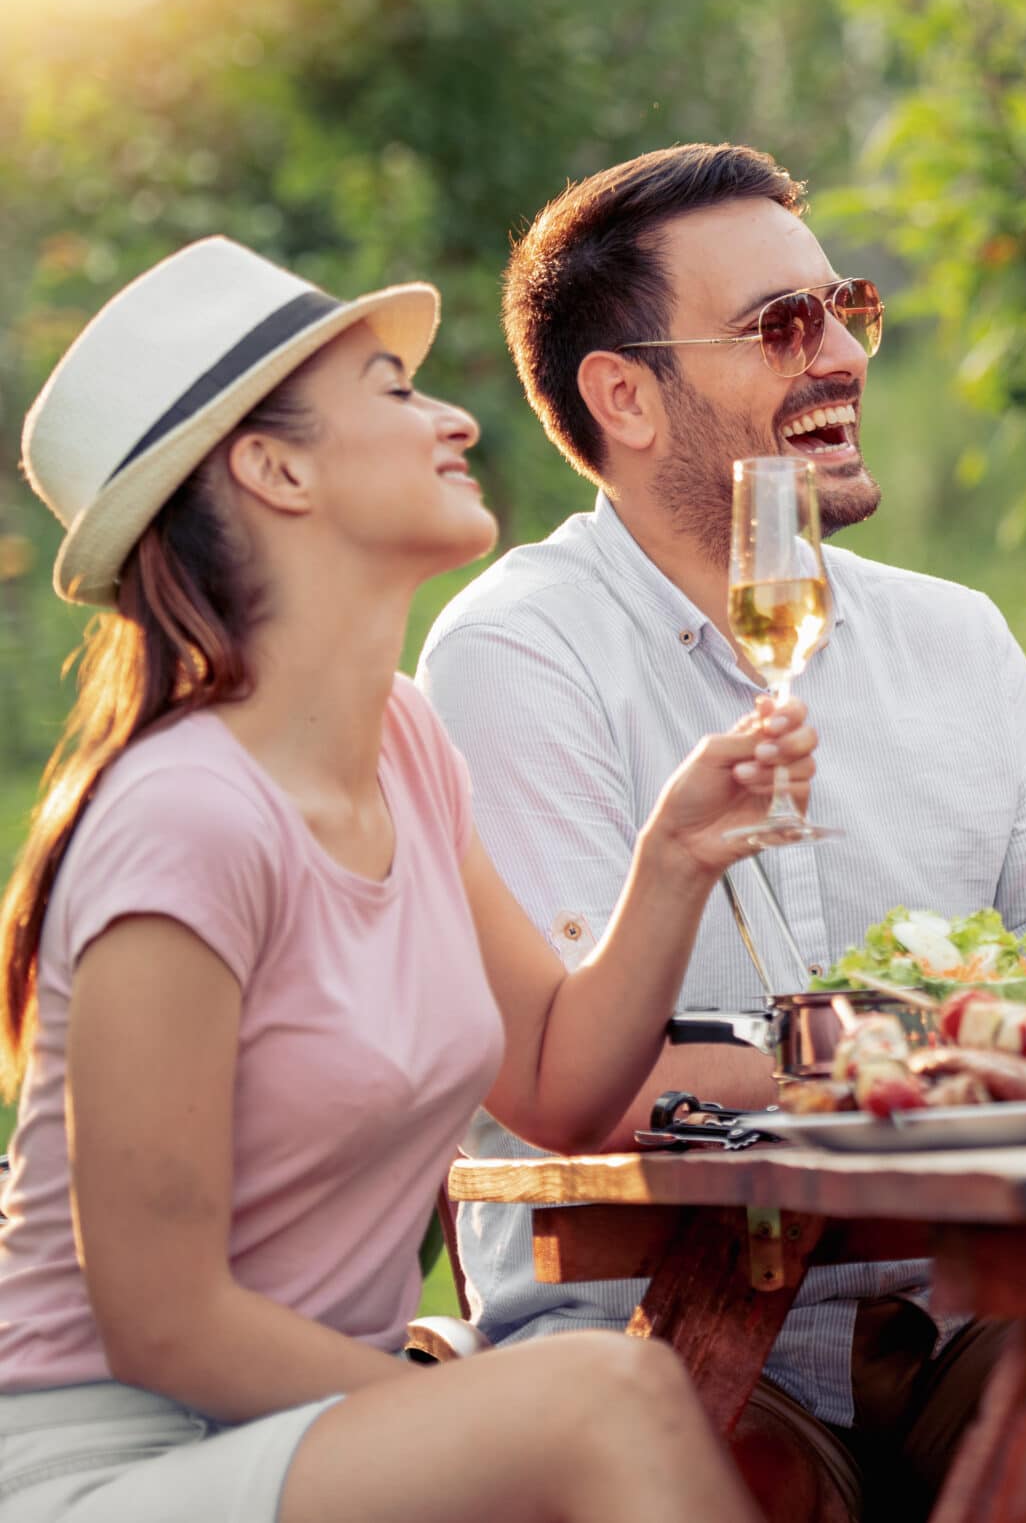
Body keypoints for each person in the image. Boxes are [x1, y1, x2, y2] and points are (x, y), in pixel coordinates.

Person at [416, 143, 1026, 1519]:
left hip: (984, 1309)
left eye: (843, 307)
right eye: (776, 327)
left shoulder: (955, 639)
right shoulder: (519, 651)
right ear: (624, 393)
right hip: (665, 1346)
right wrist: (953, 1047)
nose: (842, 354)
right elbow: (593, 1086)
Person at [0, 238, 811, 1521]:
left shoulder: (406, 744)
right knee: (607, 1396)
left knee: (612, 1394)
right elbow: (163, 1325)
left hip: (321, 1426)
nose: (452, 417)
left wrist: (674, 858)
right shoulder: (184, 815)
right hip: (119, 1460)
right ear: (272, 468)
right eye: (391, 389)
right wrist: (464, 1416)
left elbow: (553, 1076)